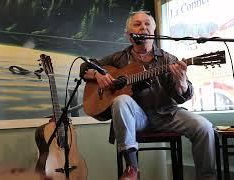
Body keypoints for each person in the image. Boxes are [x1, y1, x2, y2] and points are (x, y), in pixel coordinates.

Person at [80, 10, 216, 180]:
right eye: (137, 24)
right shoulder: (118, 59)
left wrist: (181, 81)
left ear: (153, 31)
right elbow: (86, 66)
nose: (143, 27)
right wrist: (98, 75)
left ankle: (207, 177)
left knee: (204, 128)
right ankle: (132, 169)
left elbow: (184, 95)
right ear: (129, 35)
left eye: (147, 24)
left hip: (167, 114)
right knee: (121, 99)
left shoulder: (168, 59)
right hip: (136, 119)